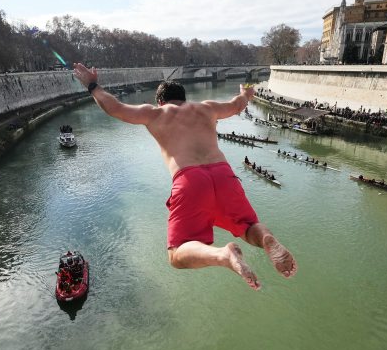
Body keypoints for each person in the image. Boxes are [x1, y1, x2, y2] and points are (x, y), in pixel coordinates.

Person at [72, 64, 296, 290]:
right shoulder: (207, 108)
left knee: (177, 253)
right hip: (223, 173)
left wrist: (92, 85)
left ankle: (223, 255)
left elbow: (115, 108)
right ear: (184, 98)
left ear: (161, 101)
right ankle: (267, 239)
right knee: (248, 227)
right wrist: (246, 94)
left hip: (189, 179)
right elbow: (237, 105)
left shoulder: (156, 113)